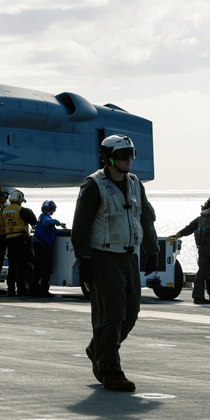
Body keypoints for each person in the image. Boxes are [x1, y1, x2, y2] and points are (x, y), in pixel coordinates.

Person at [72, 134, 159, 392]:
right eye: (123, 155)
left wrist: (152, 249)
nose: (129, 159)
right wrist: (84, 259)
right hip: (104, 256)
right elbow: (81, 225)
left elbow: (146, 217)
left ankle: (97, 348)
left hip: (129, 255)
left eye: (131, 153)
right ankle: (111, 371)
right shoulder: (94, 185)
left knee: (131, 313)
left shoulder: (135, 184)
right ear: (109, 157)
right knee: (113, 314)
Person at [3, 189, 37, 297]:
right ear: (20, 199)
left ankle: (11, 290)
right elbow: (34, 221)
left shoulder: (5, 210)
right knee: (22, 265)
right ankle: (21, 289)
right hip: (20, 239)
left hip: (9, 239)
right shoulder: (22, 210)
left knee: (12, 266)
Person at [31, 200, 64, 298]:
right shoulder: (45, 218)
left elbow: (53, 232)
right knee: (45, 269)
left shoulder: (42, 217)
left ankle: (34, 291)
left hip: (40, 246)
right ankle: (43, 291)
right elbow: (47, 223)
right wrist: (55, 221)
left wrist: (64, 231)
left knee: (38, 269)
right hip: (43, 247)